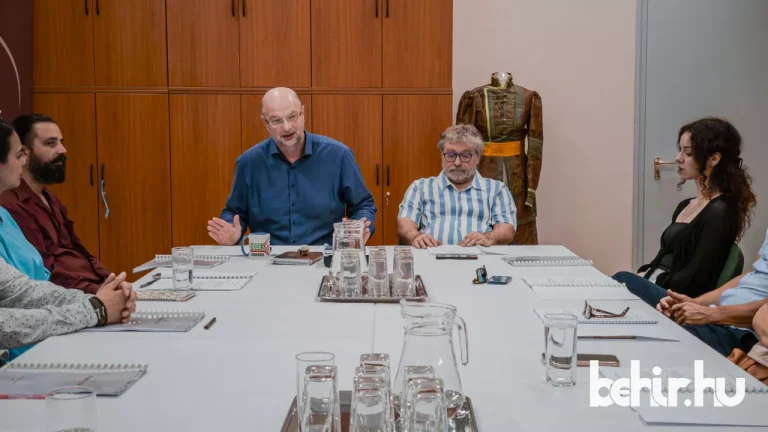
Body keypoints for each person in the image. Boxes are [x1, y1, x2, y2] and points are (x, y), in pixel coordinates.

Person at [0, 119, 135, 359]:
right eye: (18, 155)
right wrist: (95, 308)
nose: (23, 161)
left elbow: (22, 291)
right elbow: (6, 324)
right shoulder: (12, 205)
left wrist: (103, 297)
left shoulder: (8, 214)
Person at [207, 87, 376, 246]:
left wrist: (358, 228)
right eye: (276, 120)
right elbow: (235, 213)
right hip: (267, 259)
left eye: (292, 117)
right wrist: (232, 231)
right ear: (265, 122)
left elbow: (363, 205)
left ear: (303, 113)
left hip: (324, 257)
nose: (287, 127)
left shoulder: (338, 155)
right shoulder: (248, 163)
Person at [634, 117, 756, 297]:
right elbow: (663, 258)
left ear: (714, 158)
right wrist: (644, 275)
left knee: (620, 279)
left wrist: (651, 280)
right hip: (659, 282)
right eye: (680, 150)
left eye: (688, 153)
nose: (678, 158)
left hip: (676, 297)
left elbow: (695, 281)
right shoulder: (685, 205)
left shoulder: (720, 212)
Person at [613, 227, 768, 357]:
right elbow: (750, 273)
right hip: (717, 314)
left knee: (647, 336)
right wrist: (695, 303)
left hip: (737, 332)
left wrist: (712, 314)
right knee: (624, 281)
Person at [0, 114, 112, 294]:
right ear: (25, 153)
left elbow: (80, 251)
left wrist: (110, 281)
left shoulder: (50, 199)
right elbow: (45, 274)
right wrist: (98, 294)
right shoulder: (11, 206)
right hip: (65, 297)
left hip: (85, 292)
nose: (62, 150)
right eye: (50, 143)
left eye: (61, 142)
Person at [397, 124, 516, 248]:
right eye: (450, 155)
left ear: (477, 158)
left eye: (465, 156)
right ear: (442, 156)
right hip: (430, 255)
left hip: (480, 257)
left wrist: (489, 237)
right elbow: (405, 223)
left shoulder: (496, 190)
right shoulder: (420, 188)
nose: (457, 163)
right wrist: (415, 237)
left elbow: (507, 229)